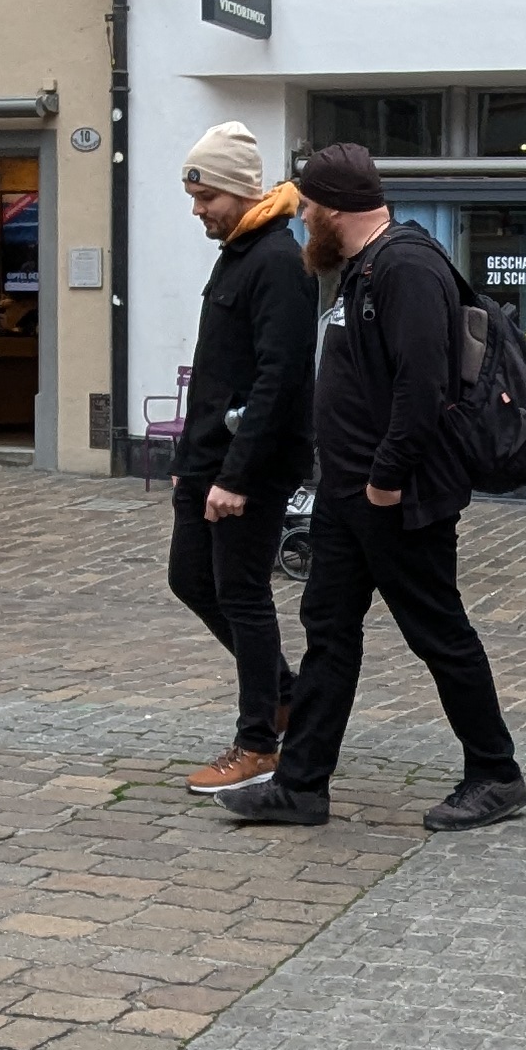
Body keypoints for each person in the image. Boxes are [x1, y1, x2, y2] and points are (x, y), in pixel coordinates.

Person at [210, 143, 526, 833]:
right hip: (349, 498)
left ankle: (497, 773)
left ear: (330, 208)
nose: (303, 224)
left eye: (308, 210)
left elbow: (424, 387)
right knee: (328, 633)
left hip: (398, 498)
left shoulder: (406, 266)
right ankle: (301, 785)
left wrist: (385, 481)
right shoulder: (362, 267)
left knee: (438, 633)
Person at [170, 122, 316, 794]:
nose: (197, 209)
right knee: (191, 579)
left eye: (204, 196)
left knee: (242, 594)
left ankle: (259, 741)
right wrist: (191, 456)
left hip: (243, 470)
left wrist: (236, 475)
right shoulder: (237, 251)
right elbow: (219, 371)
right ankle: (284, 694)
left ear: (236, 188)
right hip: (205, 462)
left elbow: (278, 380)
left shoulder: (278, 262)